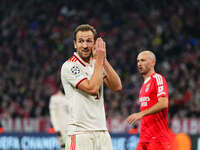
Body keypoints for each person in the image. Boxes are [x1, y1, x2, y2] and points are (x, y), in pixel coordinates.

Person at [61, 24, 122, 150]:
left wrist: (103, 59)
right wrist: (99, 59)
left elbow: (117, 86)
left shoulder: (96, 64)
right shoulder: (70, 66)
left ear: (94, 44)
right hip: (80, 134)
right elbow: (91, 88)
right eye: (81, 41)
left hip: (102, 132)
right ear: (74, 44)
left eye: (89, 41)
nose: (84, 45)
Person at [126, 51, 174, 150]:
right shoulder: (143, 85)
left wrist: (140, 114)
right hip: (144, 138)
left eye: (143, 60)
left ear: (153, 63)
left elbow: (164, 103)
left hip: (157, 139)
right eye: (138, 61)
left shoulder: (158, 79)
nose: (139, 63)